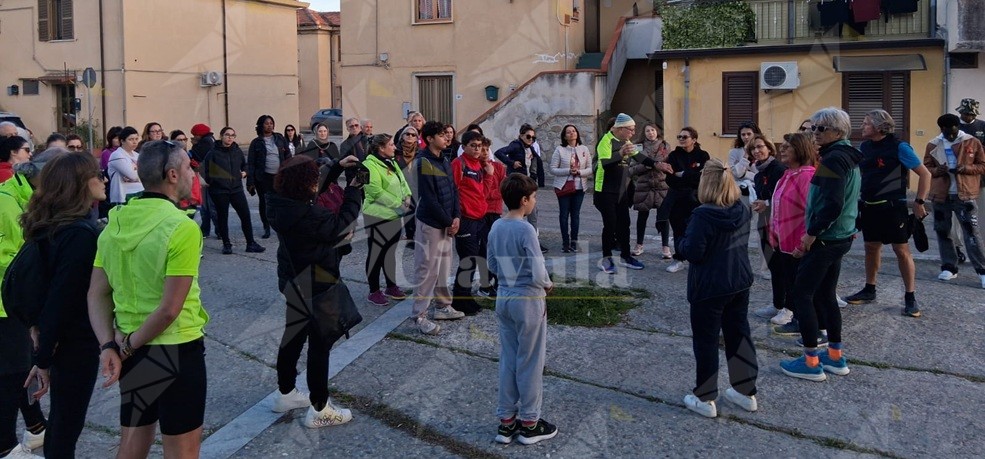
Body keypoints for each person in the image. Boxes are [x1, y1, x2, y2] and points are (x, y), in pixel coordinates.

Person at [88, 140, 209, 458]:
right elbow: (170, 309)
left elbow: (97, 292)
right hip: (176, 349)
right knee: (181, 451)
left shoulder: (114, 222)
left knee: (131, 446)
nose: (192, 174)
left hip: (131, 347)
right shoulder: (181, 227)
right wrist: (126, 347)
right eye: (188, 168)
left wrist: (109, 346)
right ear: (172, 174)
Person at [19, 153, 104, 457]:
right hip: (74, 341)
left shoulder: (53, 225)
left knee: (62, 422)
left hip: (57, 337)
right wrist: (42, 359)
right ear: (81, 184)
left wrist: (39, 335)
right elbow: (61, 298)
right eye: (97, 174)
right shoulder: (79, 234)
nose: (103, 178)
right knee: (67, 425)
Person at [266, 155, 361, 429]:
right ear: (306, 184)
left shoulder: (279, 203)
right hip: (317, 283)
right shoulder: (313, 216)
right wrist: (355, 188)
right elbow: (344, 221)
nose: (318, 180)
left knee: (293, 334)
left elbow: (311, 192)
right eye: (314, 177)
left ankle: (285, 393)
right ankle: (320, 408)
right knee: (321, 343)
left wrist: (335, 169)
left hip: (292, 279)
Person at [780, 107, 862, 382]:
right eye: (812, 128)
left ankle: (811, 361)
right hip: (840, 236)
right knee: (826, 294)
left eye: (820, 129)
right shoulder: (844, 154)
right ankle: (835, 356)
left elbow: (833, 204)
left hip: (827, 238)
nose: (813, 134)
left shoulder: (834, 159)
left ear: (838, 132)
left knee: (803, 294)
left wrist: (811, 234)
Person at [679, 158, 757, 418]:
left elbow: (693, 252)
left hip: (711, 286)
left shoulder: (703, 215)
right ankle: (746, 392)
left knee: (706, 341)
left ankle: (705, 397)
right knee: (739, 335)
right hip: (738, 280)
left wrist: (681, 240)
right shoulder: (743, 208)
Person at [0, 150, 63, 458]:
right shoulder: (6, 201)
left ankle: (37, 428)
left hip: (17, 302)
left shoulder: (30, 197)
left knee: (22, 368)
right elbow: (12, 256)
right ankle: (5, 446)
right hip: (4, 303)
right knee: (11, 373)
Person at [487, 173, 557, 446]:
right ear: (525, 200)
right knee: (530, 361)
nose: (535, 201)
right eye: (535, 197)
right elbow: (538, 269)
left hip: (504, 295)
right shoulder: (526, 229)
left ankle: (506, 421)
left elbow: (491, 264)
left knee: (509, 358)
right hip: (528, 298)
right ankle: (530, 422)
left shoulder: (496, 227)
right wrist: (547, 285)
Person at [841, 110, 931, 317]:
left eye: (866, 124)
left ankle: (910, 296)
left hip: (893, 207)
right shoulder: (865, 147)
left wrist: (919, 201)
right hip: (870, 206)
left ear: (879, 127)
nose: (862, 127)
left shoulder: (899, 147)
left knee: (901, 250)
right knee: (871, 247)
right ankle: (869, 289)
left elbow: (925, 174)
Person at [411, 120, 465, 335]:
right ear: (430, 138)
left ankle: (442, 305)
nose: (447, 138)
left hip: (446, 222)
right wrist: (447, 221)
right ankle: (419, 315)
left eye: (447, 134)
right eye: (442, 135)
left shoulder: (443, 158)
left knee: (444, 267)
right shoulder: (423, 162)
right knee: (427, 269)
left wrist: (457, 216)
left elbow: (453, 189)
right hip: (432, 223)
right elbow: (429, 198)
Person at [923, 114, 985, 288]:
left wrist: (965, 168)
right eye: (945, 131)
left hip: (964, 194)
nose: (949, 135)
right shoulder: (934, 144)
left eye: (952, 131)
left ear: (958, 127)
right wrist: (938, 170)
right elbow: (926, 167)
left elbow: (983, 165)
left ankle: (982, 271)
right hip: (941, 195)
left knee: (972, 233)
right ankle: (949, 267)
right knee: (943, 231)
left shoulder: (971, 142)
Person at [766, 133, 818, 328]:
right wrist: (773, 232)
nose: (782, 150)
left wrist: (802, 242)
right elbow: (777, 206)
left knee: (798, 280)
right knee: (786, 276)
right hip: (783, 239)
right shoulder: (787, 174)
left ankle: (794, 314)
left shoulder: (808, 176)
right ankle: (788, 309)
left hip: (798, 242)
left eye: (787, 147)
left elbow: (810, 212)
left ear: (800, 149)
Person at [594, 114, 656, 273]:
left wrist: (658, 165)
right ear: (621, 129)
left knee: (624, 224)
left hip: (621, 190)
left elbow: (640, 157)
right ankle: (606, 259)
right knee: (610, 225)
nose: (633, 133)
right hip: (605, 190)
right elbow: (605, 164)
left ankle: (626, 256)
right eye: (631, 129)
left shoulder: (626, 142)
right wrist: (620, 154)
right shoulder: (606, 140)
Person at [362, 134, 412, 306]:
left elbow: (402, 180)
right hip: (377, 216)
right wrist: (398, 204)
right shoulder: (368, 165)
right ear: (381, 148)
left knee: (390, 253)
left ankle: (391, 286)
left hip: (393, 215)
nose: (394, 147)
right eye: (391, 144)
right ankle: (373, 290)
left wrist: (407, 196)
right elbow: (375, 191)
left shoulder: (392, 162)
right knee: (376, 254)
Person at [204, 127, 266, 255]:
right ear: (221, 136)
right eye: (227, 135)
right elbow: (207, 173)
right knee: (222, 217)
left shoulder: (237, 151)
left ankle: (251, 243)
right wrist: (217, 181)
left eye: (233, 135)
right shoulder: (213, 153)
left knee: (245, 215)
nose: (230, 137)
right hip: (220, 191)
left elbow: (245, 165)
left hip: (236, 189)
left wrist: (244, 173)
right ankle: (226, 244)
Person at [746, 135, 787, 318]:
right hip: (764, 224)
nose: (756, 151)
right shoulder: (759, 172)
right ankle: (777, 305)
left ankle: (788, 309)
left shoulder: (779, 169)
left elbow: (785, 196)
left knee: (783, 267)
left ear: (770, 148)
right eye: (753, 149)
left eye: (760, 146)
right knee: (773, 266)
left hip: (781, 225)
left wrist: (767, 203)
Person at [449, 131, 489, 315]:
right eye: (473, 145)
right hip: (466, 220)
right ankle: (460, 299)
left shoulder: (479, 165)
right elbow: (452, 192)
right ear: (464, 146)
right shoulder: (459, 164)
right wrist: (457, 216)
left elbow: (482, 192)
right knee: (467, 260)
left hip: (479, 218)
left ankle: (465, 296)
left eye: (479, 146)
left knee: (475, 259)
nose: (476, 149)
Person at [662, 127, 710, 273]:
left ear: (694, 140)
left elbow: (704, 177)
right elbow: (670, 179)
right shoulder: (674, 156)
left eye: (685, 137)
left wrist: (683, 174)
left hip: (697, 199)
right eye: (679, 136)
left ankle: (700, 258)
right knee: (678, 229)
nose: (681, 139)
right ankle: (679, 259)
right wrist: (690, 176)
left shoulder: (703, 155)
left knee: (698, 229)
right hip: (678, 198)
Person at [495, 125, 547, 252]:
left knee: (533, 214)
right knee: (518, 215)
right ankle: (516, 243)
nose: (531, 139)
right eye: (528, 136)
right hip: (518, 186)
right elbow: (499, 152)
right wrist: (511, 163)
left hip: (529, 185)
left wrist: (537, 179)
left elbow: (535, 164)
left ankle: (533, 242)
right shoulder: (516, 145)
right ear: (521, 135)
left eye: (533, 137)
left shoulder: (531, 149)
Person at [630, 123, 671, 258]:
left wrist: (654, 164)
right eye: (647, 131)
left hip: (661, 185)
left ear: (657, 131)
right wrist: (648, 166)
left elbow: (667, 164)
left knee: (664, 217)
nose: (650, 133)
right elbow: (632, 169)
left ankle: (665, 247)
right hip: (644, 185)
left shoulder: (665, 146)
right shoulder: (637, 147)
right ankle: (639, 244)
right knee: (642, 216)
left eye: (652, 130)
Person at [550, 124, 593, 254]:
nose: (572, 133)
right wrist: (568, 171)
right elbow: (553, 169)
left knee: (575, 215)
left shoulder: (584, 149)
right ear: (564, 136)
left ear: (577, 134)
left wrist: (579, 172)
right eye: (568, 132)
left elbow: (591, 168)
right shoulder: (559, 150)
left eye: (574, 131)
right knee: (564, 215)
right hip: (563, 186)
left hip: (580, 187)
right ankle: (565, 243)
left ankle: (574, 241)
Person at [247, 114, 291, 239]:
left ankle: (280, 225)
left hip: (279, 176)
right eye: (266, 123)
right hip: (263, 177)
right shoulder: (256, 143)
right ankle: (266, 226)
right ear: (261, 126)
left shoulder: (279, 138)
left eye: (271, 123)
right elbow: (251, 163)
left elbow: (288, 156)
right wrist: (250, 182)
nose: (269, 125)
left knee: (281, 201)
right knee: (265, 202)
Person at [478, 136, 506, 298]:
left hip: (496, 212)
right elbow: (481, 194)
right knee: (482, 249)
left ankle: (497, 280)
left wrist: (492, 194)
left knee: (496, 249)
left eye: (486, 149)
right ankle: (484, 282)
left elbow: (503, 189)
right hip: (481, 213)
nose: (484, 152)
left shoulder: (499, 167)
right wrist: (491, 194)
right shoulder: (477, 168)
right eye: (482, 149)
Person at [189, 124, 218, 238]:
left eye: (195, 135)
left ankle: (210, 230)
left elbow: (197, 155)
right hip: (212, 175)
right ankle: (215, 229)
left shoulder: (205, 142)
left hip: (207, 175)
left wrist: (194, 146)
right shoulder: (211, 139)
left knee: (208, 206)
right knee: (209, 205)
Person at [106, 126, 143, 205]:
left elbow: (146, 173)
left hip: (140, 191)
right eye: (131, 139)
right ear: (122, 141)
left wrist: (137, 174)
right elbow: (132, 175)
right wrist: (137, 175)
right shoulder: (117, 155)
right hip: (123, 195)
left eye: (136, 139)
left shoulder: (137, 155)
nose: (135, 142)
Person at [396, 126, 420, 242]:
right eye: (407, 134)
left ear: (417, 138)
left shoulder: (420, 153)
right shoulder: (396, 153)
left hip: (416, 185)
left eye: (413, 135)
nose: (410, 136)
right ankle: (409, 235)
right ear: (402, 137)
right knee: (406, 211)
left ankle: (417, 234)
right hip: (401, 187)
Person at [727, 121, 760, 199]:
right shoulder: (734, 152)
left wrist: (746, 174)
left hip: (757, 191)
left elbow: (760, 175)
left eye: (749, 134)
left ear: (755, 134)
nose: (746, 137)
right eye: (743, 134)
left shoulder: (761, 151)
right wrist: (746, 154)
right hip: (739, 191)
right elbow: (737, 174)